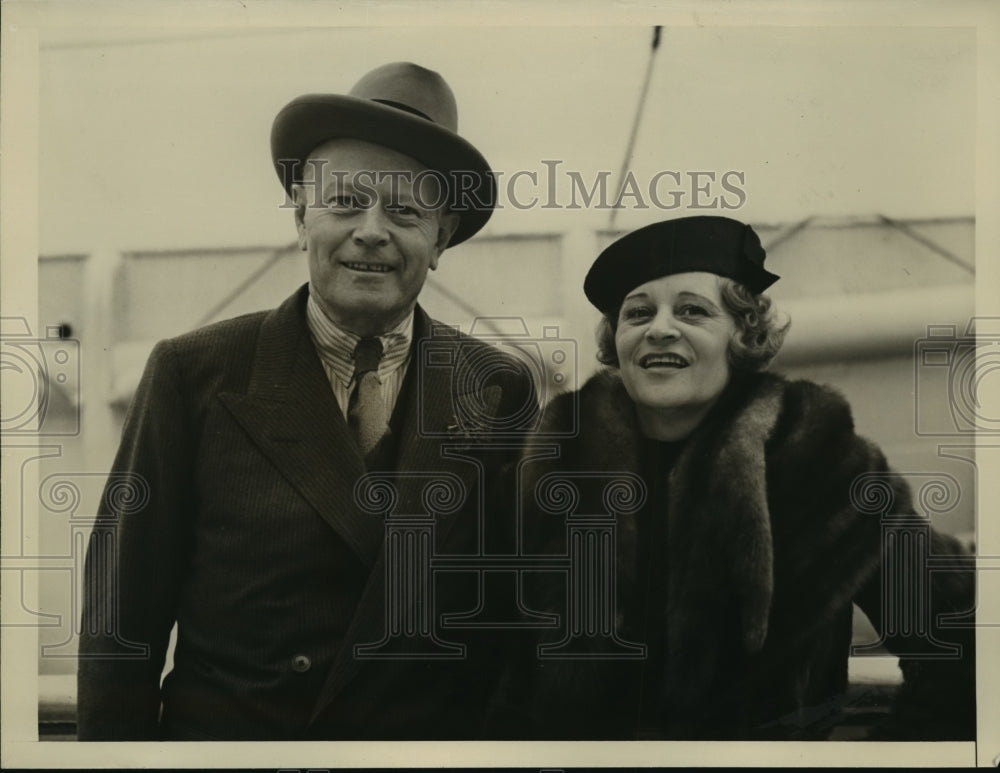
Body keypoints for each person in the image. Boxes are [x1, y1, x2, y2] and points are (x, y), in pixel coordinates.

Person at [77, 62, 537, 741]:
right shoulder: (192, 373)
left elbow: (517, 627)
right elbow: (122, 622)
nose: (372, 230)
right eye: (345, 203)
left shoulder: (499, 387)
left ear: (440, 239)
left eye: (406, 211)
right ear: (301, 219)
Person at [491, 215, 975, 741]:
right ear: (616, 340)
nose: (659, 328)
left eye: (693, 310)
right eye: (637, 313)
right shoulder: (547, 469)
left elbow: (965, 637)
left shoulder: (825, 467)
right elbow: (480, 659)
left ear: (743, 334)